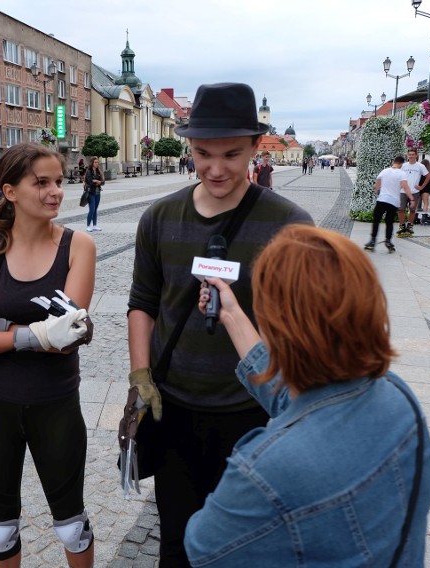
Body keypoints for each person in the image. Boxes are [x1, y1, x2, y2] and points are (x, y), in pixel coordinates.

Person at [127, 82, 313, 567]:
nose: (214, 168)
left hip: (253, 413)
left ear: (256, 146)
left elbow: (305, 325)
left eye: (231, 154)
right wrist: (140, 377)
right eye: (202, 153)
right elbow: (143, 303)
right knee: (177, 541)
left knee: (244, 545)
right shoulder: (159, 217)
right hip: (175, 408)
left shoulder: (291, 225)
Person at [186, 225, 430, 566]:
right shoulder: (398, 397)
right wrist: (230, 313)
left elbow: (203, 546)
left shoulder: (267, 470)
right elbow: (302, 402)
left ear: (278, 325)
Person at [0, 143, 97, 568]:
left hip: (56, 404)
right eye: (42, 183)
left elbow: (66, 337)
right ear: (10, 191)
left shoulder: (79, 246)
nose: (55, 191)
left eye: (59, 181)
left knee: (72, 524)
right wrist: (36, 334)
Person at [365, 155, 413, 252]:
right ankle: (388, 241)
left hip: (382, 199)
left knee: (376, 220)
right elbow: (405, 186)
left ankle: (373, 240)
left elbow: (377, 183)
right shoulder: (402, 174)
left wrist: (377, 191)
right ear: (401, 164)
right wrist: (412, 199)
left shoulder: (384, 171)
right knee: (389, 222)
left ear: (393, 162)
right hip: (393, 202)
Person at [398, 149, 429, 237]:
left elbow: (428, 176)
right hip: (403, 191)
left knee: (412, 210)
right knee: (401, 209)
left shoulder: (420, 166)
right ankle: (402, 226)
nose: (411, 156)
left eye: (413, 154)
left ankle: (410, 226)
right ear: (407, 156)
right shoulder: (404, 166)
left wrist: (422, 186)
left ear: (416, 155)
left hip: (414, 192)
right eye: (409, 154)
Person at [83, 157, 104, 232]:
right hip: (91, 192)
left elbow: (103, 182)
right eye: (95, 162)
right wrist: (96, 181)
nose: (97, 164)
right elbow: (89, 181)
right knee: (91, 209)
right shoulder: (89, 171)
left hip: (98, 192)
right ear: (92, 163)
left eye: (98, 162)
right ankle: (88, 225)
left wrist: (100, 182)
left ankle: (95, 225)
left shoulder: (99, 171)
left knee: (95, 209)